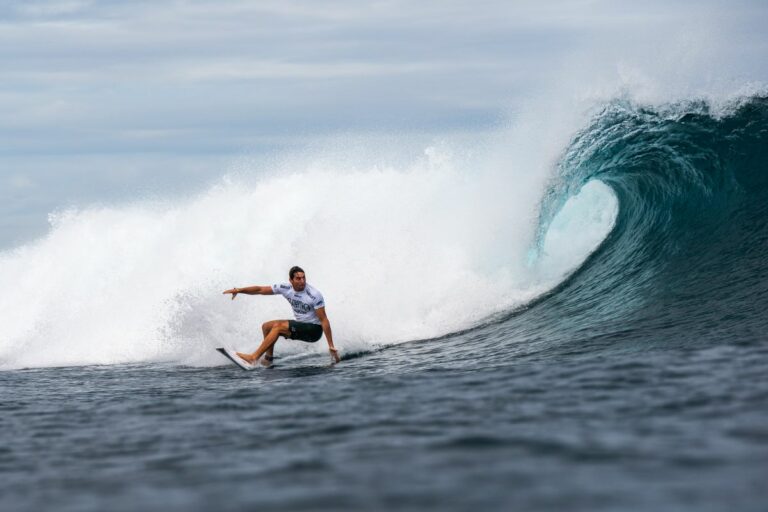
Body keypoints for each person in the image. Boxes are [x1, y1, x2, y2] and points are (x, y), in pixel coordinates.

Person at [223, 266, 340, 365]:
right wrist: (239, 290)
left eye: (304, 278)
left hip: (314, 330)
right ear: (291, 280)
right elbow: (260, 289)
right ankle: (268, 359)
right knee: (266, 326)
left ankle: (253, 358)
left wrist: (331, 345)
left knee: (278, 327)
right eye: (298, 278)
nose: (302, 281)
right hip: (301, 325)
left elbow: (324, 320)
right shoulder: (286, 288)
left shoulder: (314, 295)